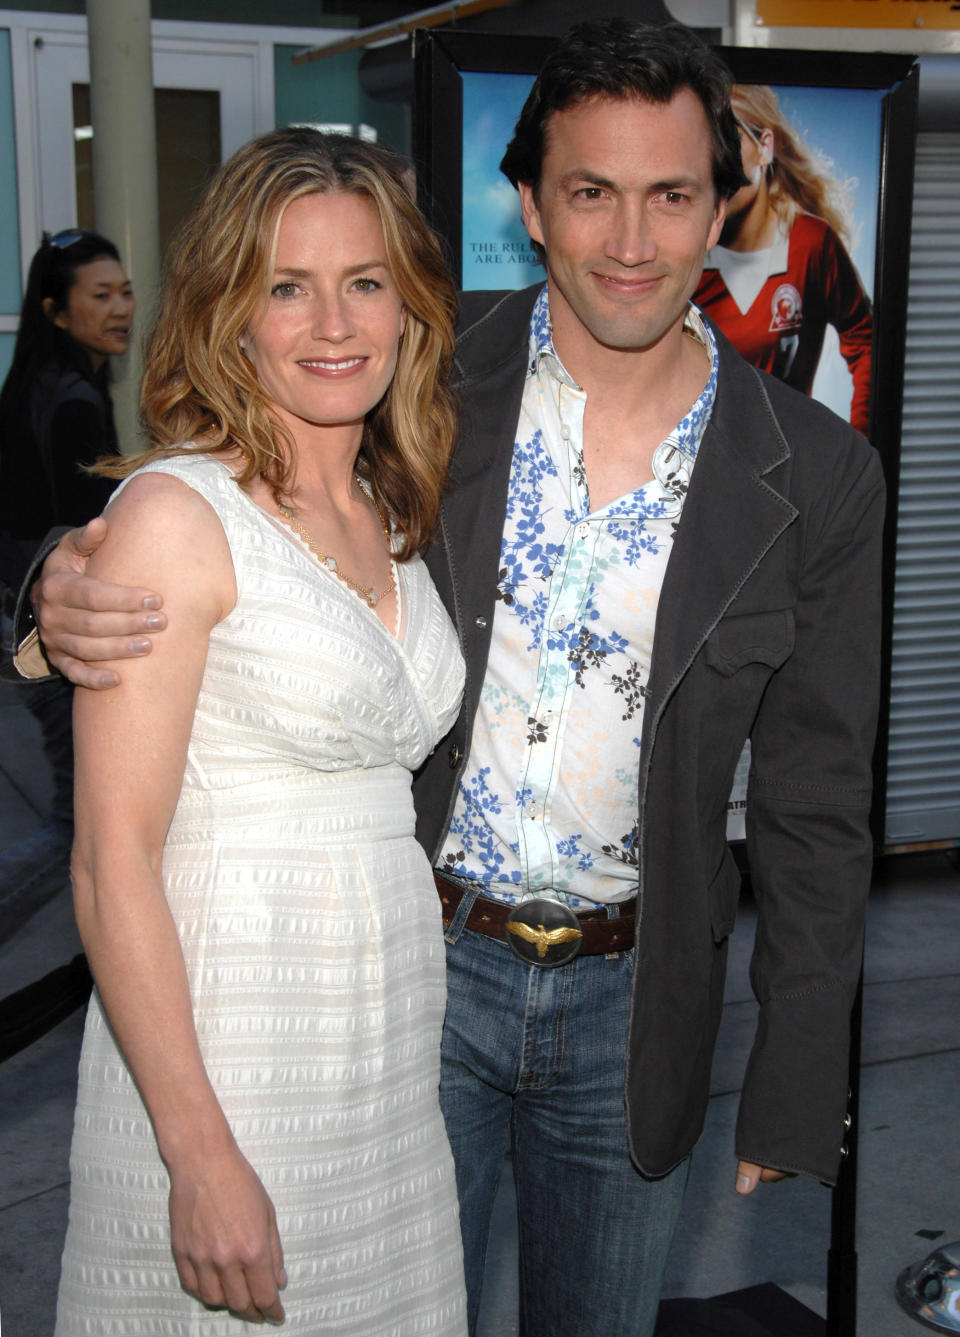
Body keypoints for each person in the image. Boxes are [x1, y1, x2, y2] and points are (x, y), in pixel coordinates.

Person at [16, 20, 884, 1337]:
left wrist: (797, 1069)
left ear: (728, 205)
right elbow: (212, 505)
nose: (633, 243)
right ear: (532, 203)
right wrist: (46, 599)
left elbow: (818, 795)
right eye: (592, 192)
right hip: (416, 976)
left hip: (637, 996)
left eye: (672, 196)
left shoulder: (817, 475)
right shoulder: (421, 380)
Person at [51, 129, 467, 1334]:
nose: (332, 322)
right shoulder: (177, 516)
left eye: (365, 281)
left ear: (409, 306)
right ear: (231, 310)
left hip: (383, 1069)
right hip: (234, 1047)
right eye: (288, 286)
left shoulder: (390, 504)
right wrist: (200, 1155)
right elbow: (106, 856)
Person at [0, 230, 134, 941]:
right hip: (52, 630)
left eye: (125, 291)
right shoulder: (74, 400)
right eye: (100, 295)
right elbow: (85, 537)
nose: (121, 309)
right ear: (57, 311)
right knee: (77, 822)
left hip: (29, 618)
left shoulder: (40, 384)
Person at [694, 82, 873, 434]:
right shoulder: (683, 249)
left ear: (765, 147)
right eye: (704, 143)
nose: (717, 161)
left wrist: (862, 442)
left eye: (729, 139)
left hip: (789, 472)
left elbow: (864, 338)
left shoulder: (811, 243)